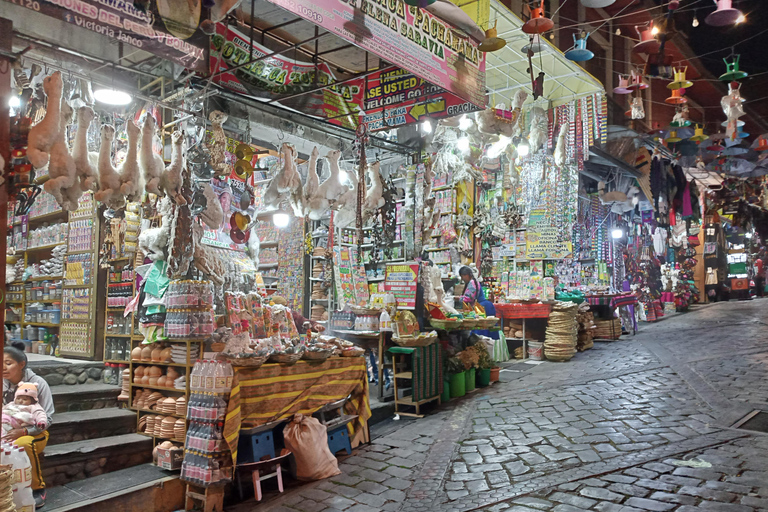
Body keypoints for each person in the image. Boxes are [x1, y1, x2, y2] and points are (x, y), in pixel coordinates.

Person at [3, 343, 53, 507]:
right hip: (6, 429)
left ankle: (37, 488)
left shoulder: (39, 384)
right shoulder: (2, 384)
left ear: (22, 364)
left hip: (35, 433)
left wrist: (25, 431)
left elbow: (48, 418)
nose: (3, 367)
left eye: (8, 363)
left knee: (21, 444)